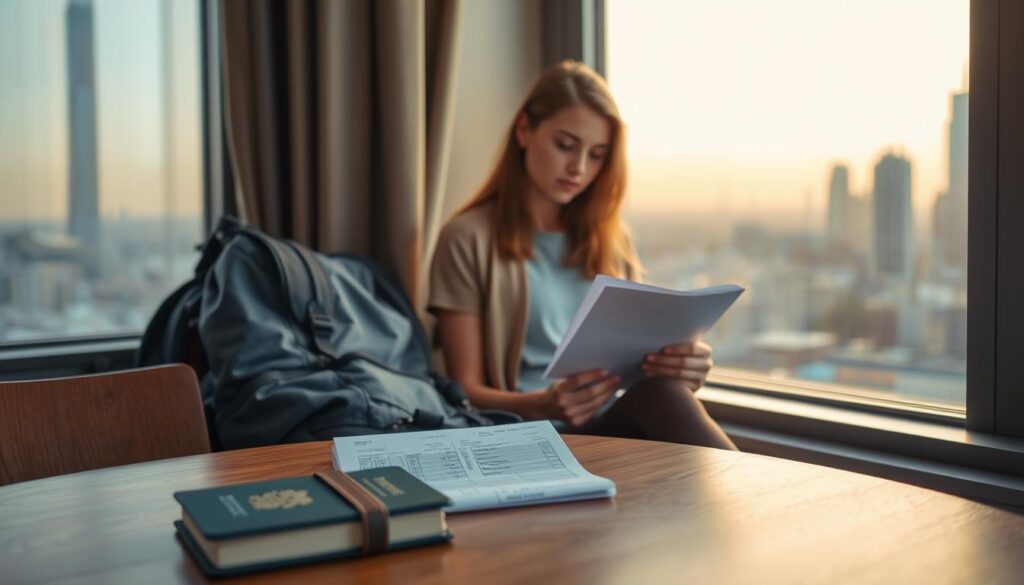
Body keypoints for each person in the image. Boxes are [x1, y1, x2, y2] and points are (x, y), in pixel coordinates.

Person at [428, 61, 736, 450]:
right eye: (565, 145)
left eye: (597, 155)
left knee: (666, 393)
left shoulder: (612, 241)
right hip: (525, 434)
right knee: (665, 402)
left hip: (606, 427)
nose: (578, 168)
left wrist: (681, 363)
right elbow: (464, 389)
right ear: (524, 130)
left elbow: (636, 364)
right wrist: (541, 404)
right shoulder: (466, 239)